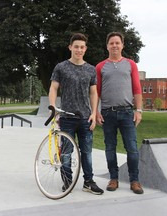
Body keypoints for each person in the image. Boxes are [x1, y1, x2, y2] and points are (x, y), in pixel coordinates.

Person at [49, 33, 104, 195]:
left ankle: (88, 182)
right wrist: (52, 107)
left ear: (85, 49)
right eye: (76, 46)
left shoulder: (90, 69)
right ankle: (67, 181)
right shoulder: (61, 67)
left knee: (86, 152)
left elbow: (94, 93)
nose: (79, 50)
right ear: (70, 47)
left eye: (82, 47)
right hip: (66, 118)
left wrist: (94, 113)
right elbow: (53, 88)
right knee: (66, 153)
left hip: (86, 118)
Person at [96, 32, 144, 194]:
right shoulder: (100, 67)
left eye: (117, 43)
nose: (114, 45)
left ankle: (134, 180)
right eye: (111, 43)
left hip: (126, 113)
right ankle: (113, 178)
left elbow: (137, 89)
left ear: (122, 45)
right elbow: (96, 92)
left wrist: (138, 110)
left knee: (132, 148)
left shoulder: (131, 64)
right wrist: (95, 111)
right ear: (107, 46)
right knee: (110, 147)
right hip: (107, 113)